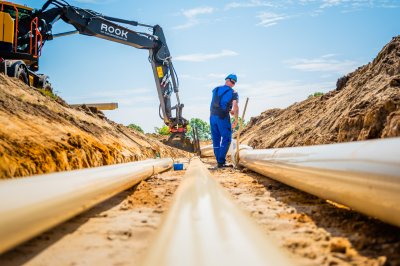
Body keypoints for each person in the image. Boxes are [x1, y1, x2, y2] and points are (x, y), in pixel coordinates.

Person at [210, 74, 239, 168]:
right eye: (233, 83)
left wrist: (229, 110)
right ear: (232, 82)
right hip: (222, 118)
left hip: (212, 117)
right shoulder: (233, 92)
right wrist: (235, 119)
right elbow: (235, 106)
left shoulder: (216, 89)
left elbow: (219, 103)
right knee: (226, 138)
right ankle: (221, 161)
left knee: (216, 139)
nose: (233, 84)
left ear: (226, 80)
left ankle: (219, 161)